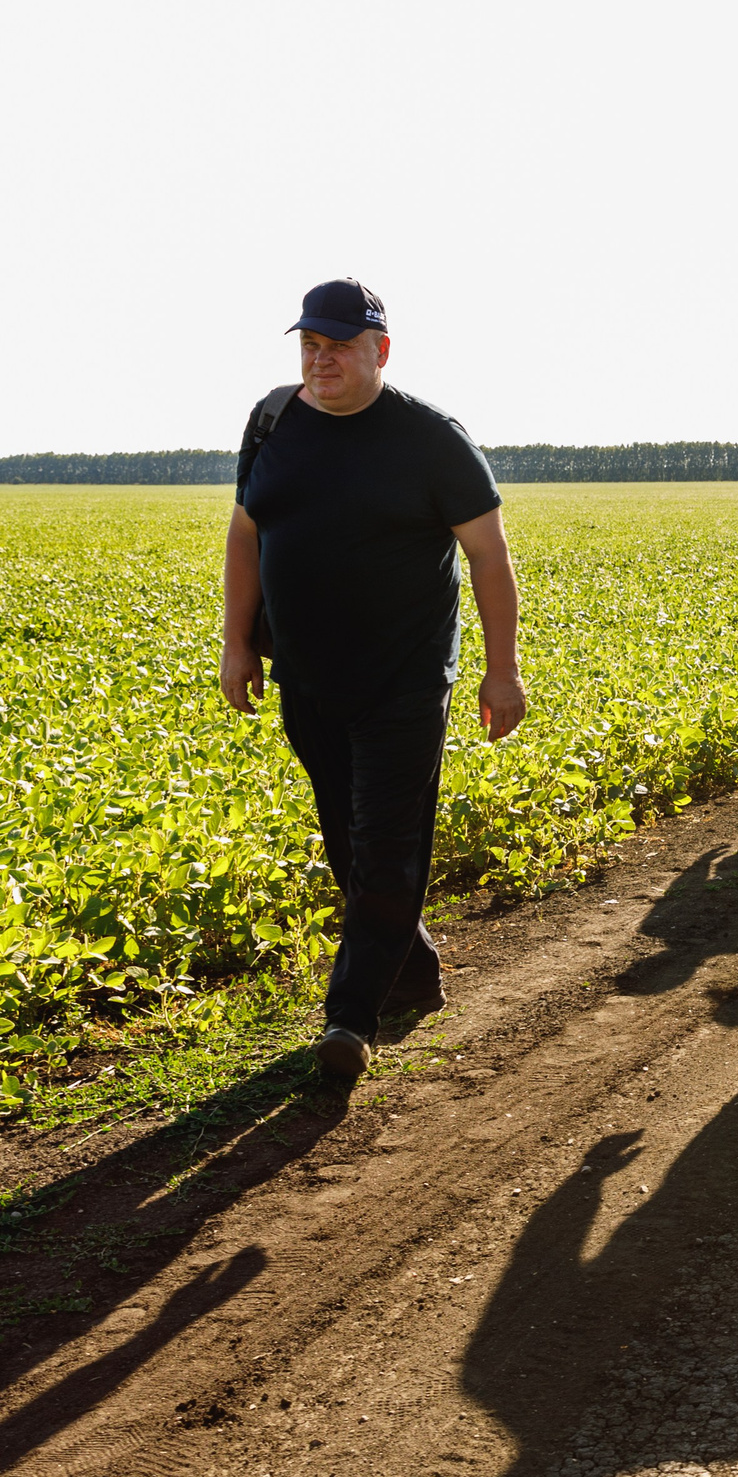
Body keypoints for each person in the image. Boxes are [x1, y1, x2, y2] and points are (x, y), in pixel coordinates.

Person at [221, 278, 526, 1080]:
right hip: (308, 678)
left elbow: (489, 556)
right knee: (350, 843)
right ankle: (411, 969)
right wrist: (237, 644)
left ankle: (350, 1021)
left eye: (340, 347)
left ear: (380, 351)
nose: (321, 362)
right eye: (309, 347)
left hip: (405, 680)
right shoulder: (272, 422)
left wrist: (503, 671)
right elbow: (245, 534)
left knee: (388, 846)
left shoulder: (431, 440)